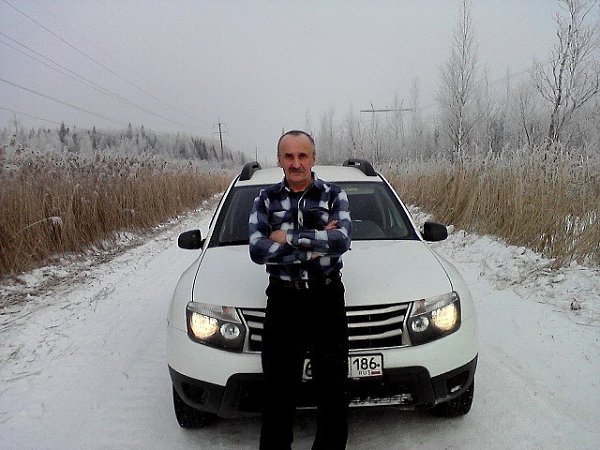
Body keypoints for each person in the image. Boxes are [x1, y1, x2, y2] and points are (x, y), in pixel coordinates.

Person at [249, 130, 352, 450]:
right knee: (277, 390)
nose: (296, 163)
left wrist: (287, 237)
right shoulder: (265, 198)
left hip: (326, 299)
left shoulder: (335, 195)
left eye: (302, 155)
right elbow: (257, 250)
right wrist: (316, 244)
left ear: (313, 158)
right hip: (283, 301)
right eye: (289, 156)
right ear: (279, 160)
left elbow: (341, 241)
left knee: (333, 389)